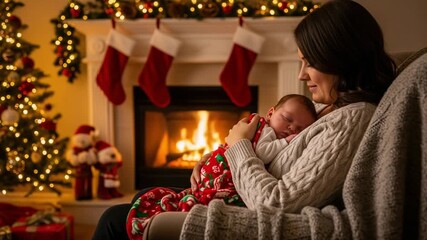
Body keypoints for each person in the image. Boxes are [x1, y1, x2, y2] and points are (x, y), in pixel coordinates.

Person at [92, 0, 397, 239]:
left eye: (310, 62)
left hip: (246, 209)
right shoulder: (333, 108)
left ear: (339, 58)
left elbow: (277, 204)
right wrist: (214, 160)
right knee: (145, 195)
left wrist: (238, 146)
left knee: (113, 221)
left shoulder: (351, 120)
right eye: (300, 62)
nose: (302, 75)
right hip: (235, 189)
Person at [126, 94, 317, 239]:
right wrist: (286, 142)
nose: (292, 129)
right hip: (224, 175)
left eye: (300, 129)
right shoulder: (265, 131)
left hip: (239, 188)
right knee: (142, 195)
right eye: (287, 119)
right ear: (270, 113)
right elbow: (263, 152)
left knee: (137, 200)